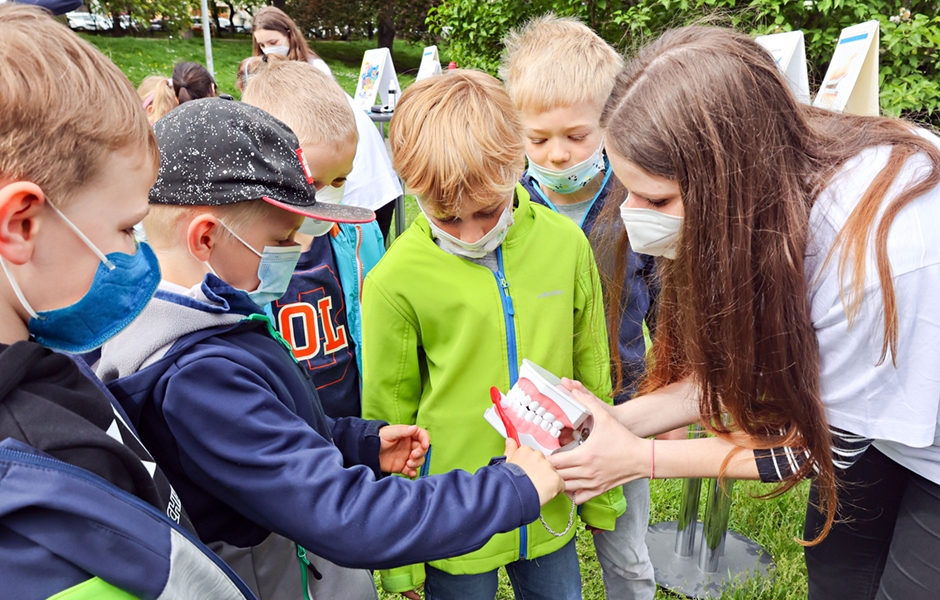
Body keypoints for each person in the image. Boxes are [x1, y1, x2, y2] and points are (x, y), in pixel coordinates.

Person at [97, 97, 565, 600]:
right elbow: (346, 516)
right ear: (207, 237)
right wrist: (510, 487)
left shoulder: (203, 322)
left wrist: (356, 443)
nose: (299, 250)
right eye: (283, 237)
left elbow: (270, 442)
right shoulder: (196, 377)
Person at [547, 25, 940, 600]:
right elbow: (751, 374)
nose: (634, 216)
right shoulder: (775, 190)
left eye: (657, 200)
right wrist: (614, 423)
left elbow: (802, 451)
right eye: (627, 190)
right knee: (838, 578)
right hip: (873, 418)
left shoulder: (869, 258)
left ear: (729, 180)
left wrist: (638, 458)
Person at [0, 6, 254, 598]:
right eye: (124, 229)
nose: (135, 256)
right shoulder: (33, 497)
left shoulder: (46, 358)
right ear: (21, 224)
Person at [360, 70, 625, 600]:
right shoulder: (394, 279)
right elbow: (389, 418)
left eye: (486, 210)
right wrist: (401, 559)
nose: (472, 234)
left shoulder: (566, 245)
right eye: (446, 217)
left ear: (516, 164)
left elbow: (592, 367)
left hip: (550, 497)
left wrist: (601, 496)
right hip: (450, 513)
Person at [499, 14, 657, 599]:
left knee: (628, 553)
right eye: (537, 140)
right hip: (532, 414)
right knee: (541, 545)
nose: (558, 155)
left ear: (611, 123)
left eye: (576, 135)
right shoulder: (505, 208)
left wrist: (668, 395)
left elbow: (664, 298)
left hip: (621, 404)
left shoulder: (637, 198)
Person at [242, 58, 385, 417]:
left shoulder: (360, 235)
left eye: (340, 181)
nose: (327, 196)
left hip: (357, 431)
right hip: (285, 433)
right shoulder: (239, 254)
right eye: (313, 182)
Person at [250, 6, 403, 240]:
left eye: (273, 41)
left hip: (364, 185)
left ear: (289, 34)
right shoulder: (284, 83)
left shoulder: (313, 72)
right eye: (262, 45)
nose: (268, 50)